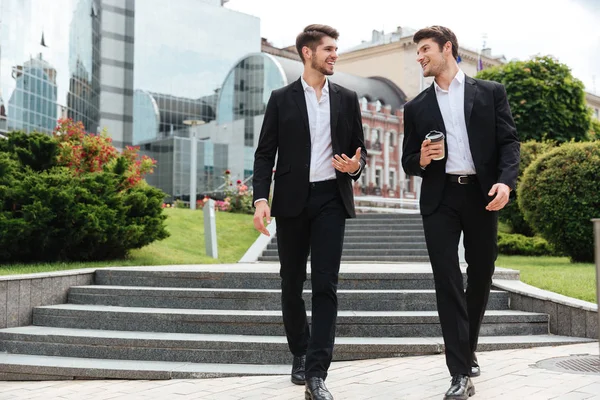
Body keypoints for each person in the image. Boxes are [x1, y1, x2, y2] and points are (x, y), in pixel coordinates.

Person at [401, 26, 519, 400]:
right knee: (447, 279)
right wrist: (420, 158)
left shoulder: (490, 92)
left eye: (424, 50)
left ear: (447, 48)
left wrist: (505, 182)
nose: (419, 57)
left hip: (482, 194)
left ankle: (468, 348)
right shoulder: (415, 106)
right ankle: (459, 372)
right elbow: (408, 160)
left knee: (482, 271)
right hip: (440, 198)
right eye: (417, 51)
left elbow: (508, 142)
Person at [252, 24, 367, 400]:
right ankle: (299, 352)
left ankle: (317, 373)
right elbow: (265, 153)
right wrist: (260, 199)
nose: (335, 55)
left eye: (336, 49)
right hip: (291, 201)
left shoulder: (348, 98)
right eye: (329, 49)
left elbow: (358, 151)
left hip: (331, 200)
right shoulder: (281, 98)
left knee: (326, 285)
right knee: (290, 283)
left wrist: (354, 167)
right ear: (308, 53)